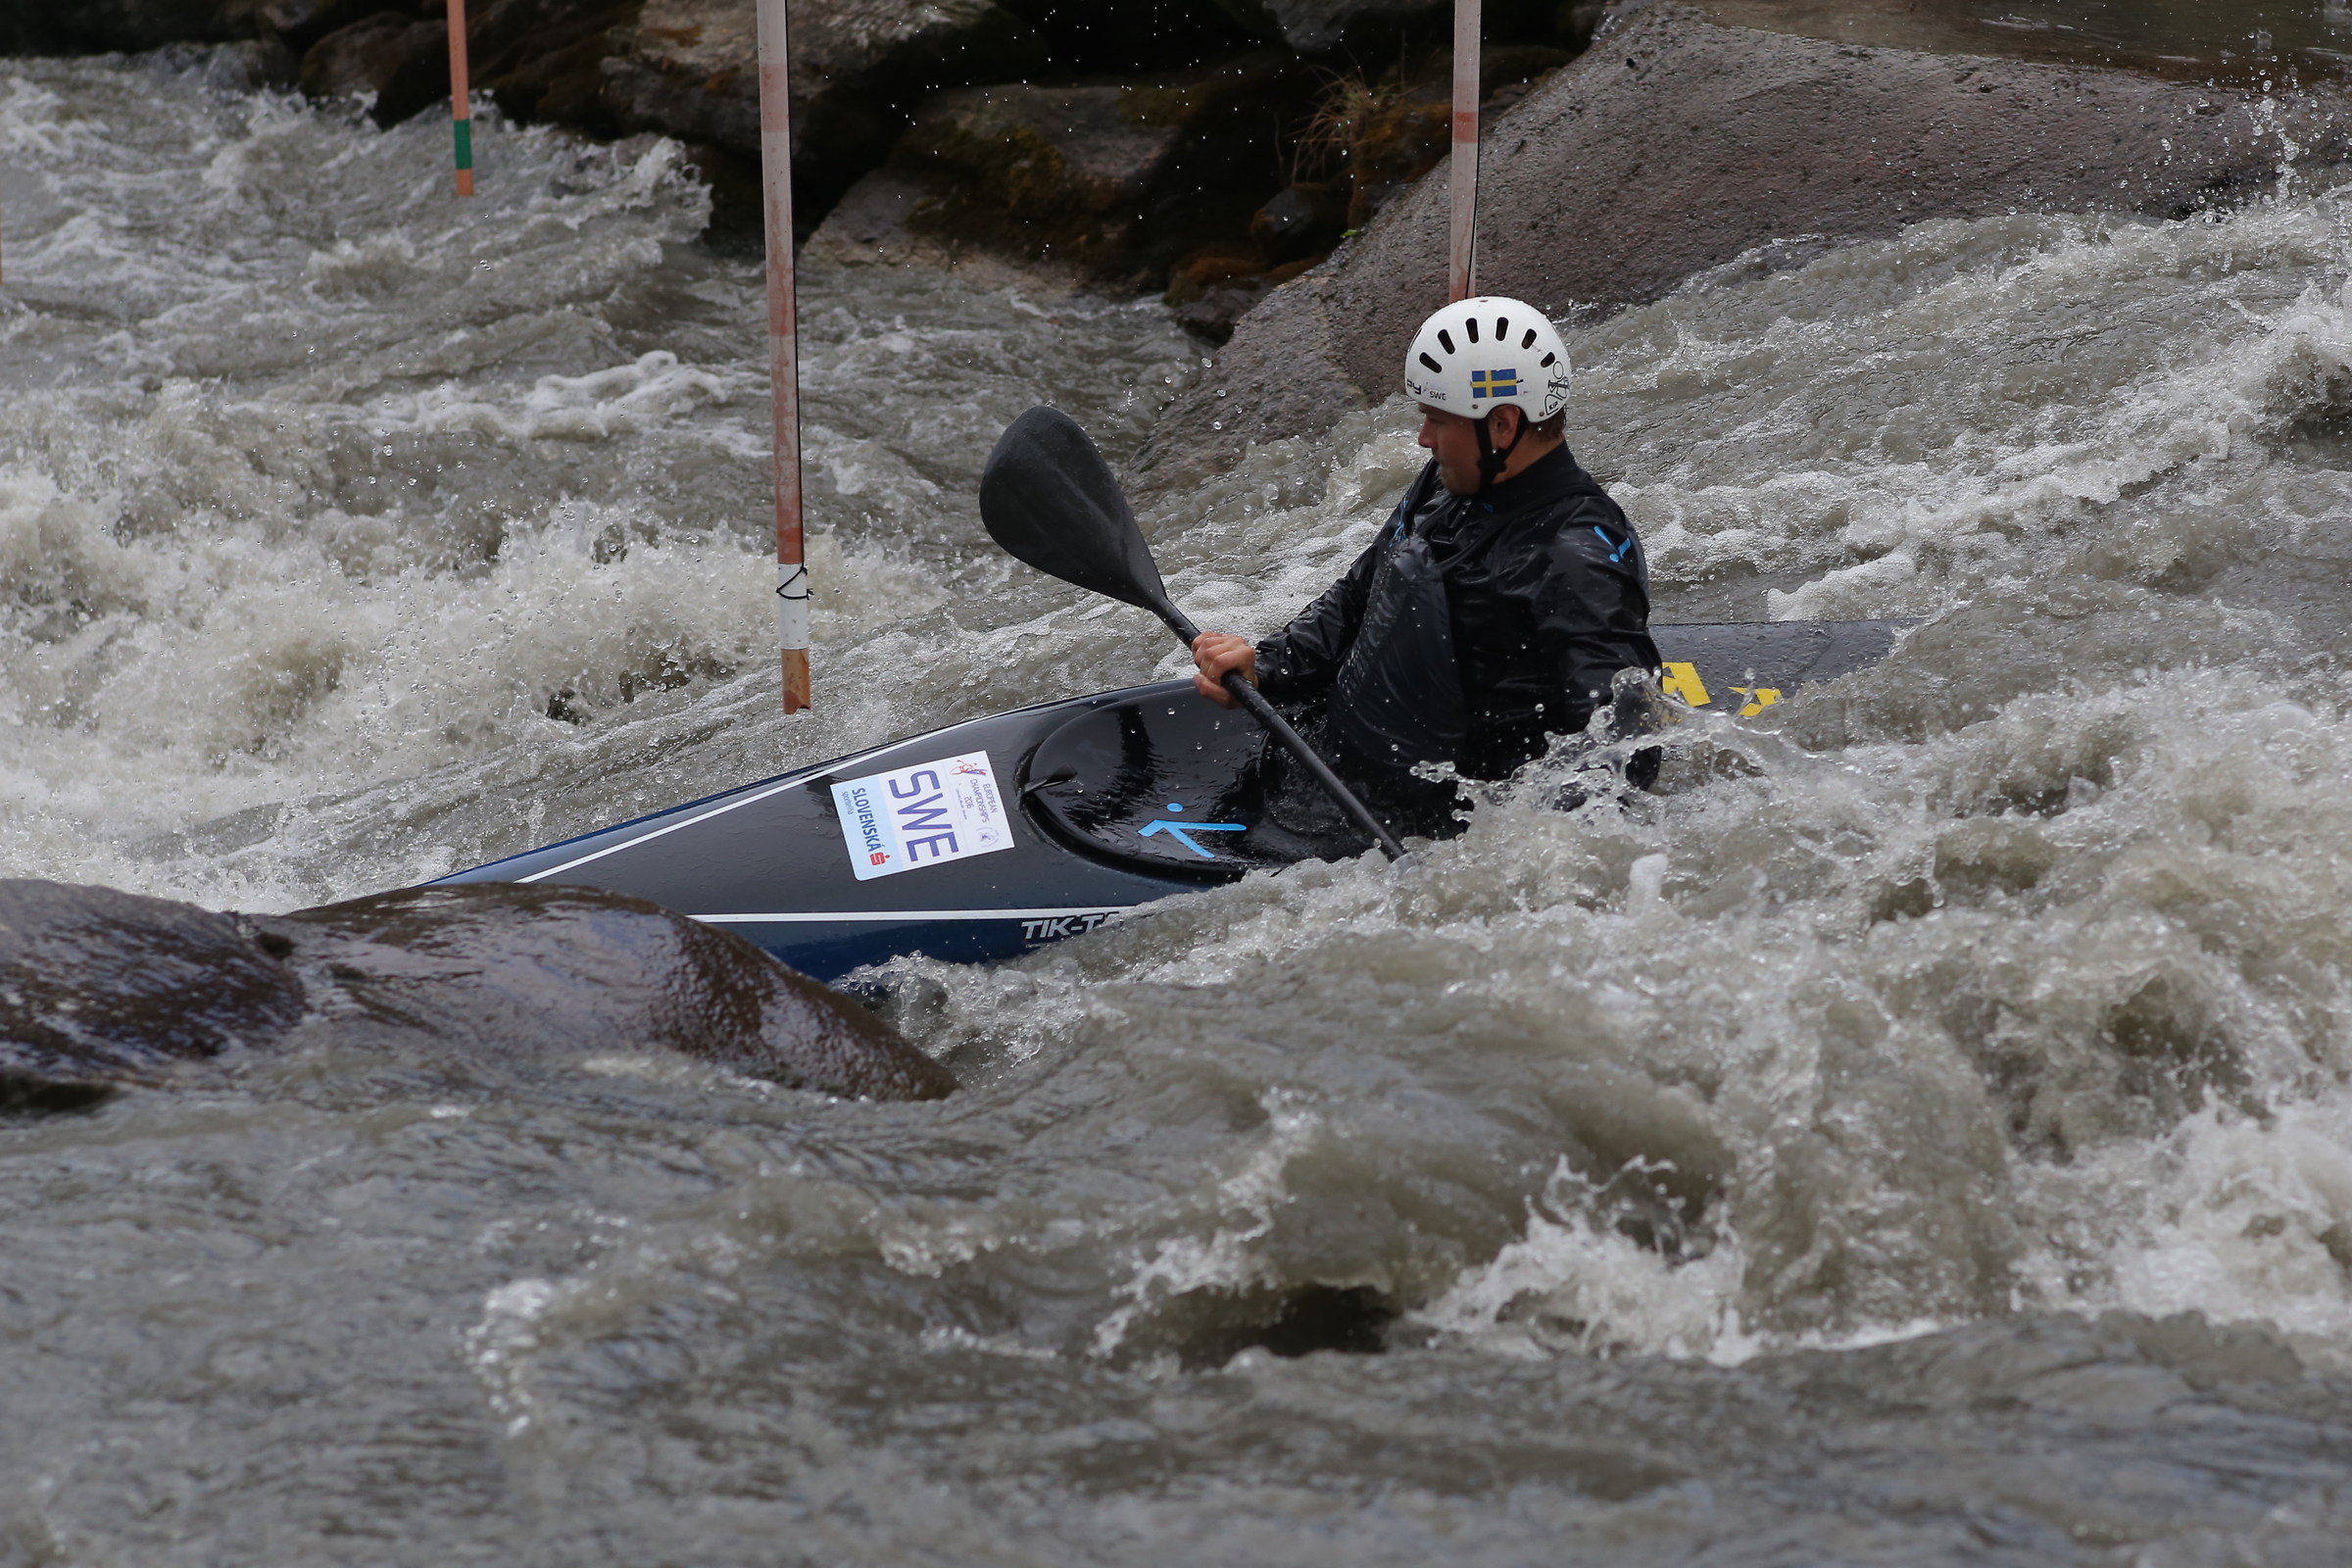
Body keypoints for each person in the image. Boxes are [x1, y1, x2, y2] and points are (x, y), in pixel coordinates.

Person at [1190, 295, 1658, 842]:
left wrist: (1522, 854)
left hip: (1451, 823)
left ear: (1502, 426)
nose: (1424, 438)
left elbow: (1627, 749)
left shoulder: (1576, 558)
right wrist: (1266, 668)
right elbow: (1358, 597)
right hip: (1359, 768)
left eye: (1437, 420)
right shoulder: (1448, 484)